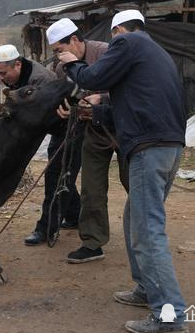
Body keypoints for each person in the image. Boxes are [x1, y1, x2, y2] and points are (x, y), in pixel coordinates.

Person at [57, 10, 188, 333]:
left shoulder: (127, 42)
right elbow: (134, 104)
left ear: (118, 29)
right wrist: (96, 113)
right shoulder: (157, 54)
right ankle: (146, 287)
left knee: (147, 231)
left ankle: (169, 317)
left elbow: (91, 78)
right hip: (169, 146)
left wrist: (70, 62)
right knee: (135, 219)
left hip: (149, 148)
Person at [46, 18, 123, 264]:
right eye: (55, 52)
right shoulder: (62, 69)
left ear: (76, 41)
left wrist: (103, 96)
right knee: (92, 188)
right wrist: (69, 110)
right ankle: (92, 242)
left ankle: (144, 235)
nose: (58, 56)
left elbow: (130, 86)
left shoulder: (107, 53)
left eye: (60, 50)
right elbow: (70, 97)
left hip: (124, 128)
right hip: (94, 130)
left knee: (135, 182)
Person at [0, 44, 81, 246]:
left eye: (3, 73)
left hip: (68, 127)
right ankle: (75, 215)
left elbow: (35, 121)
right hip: (53, 127)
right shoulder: (15, 77)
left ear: (17, 64)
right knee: (63, 173)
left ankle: (46, 229)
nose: (1, 79)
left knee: (55, 175)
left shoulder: (40, 82)